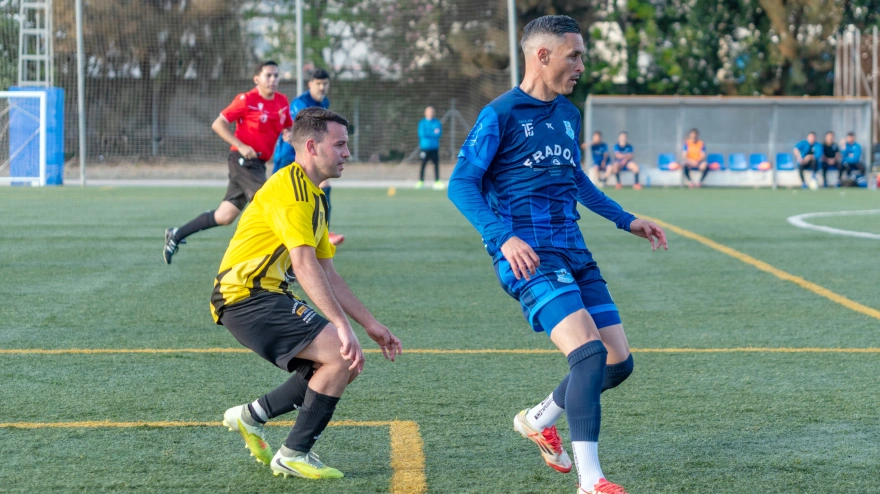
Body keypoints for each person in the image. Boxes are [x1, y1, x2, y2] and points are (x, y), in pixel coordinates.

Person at [448, 15, 667, 494]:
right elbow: (461, 183)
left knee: (617, 363)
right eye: (575, 55)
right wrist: (502, 235)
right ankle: (592, 481)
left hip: (573, 248)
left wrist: (625, 218)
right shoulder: (500, 114)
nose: (582, 65)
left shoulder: (568, 114)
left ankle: (538, 419)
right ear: (542, 56)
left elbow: (575, 177)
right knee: (587, 355)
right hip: (528, 256)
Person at [215, 107, 402, 480]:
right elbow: (304, 266)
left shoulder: (314, 196)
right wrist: (341, 326)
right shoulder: (292, 192)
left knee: (341, 362)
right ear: (313, 146)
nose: (348, 153)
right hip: (245, 297)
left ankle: (252, 417)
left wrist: (369, 323)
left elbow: (327, 272)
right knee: (341, 355)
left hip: (266, 294)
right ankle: (292, 454)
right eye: (340, 144)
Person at [163, 61, 292, 265]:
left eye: (276, 75)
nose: (273, 79)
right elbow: (218, 124)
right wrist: (240, 145)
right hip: (242, 161)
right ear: (256, 79)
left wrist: (292, 137)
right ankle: (288, 265)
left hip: (258, 165)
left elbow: (288, 129)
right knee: (272, 205)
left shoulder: (282, 101)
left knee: (225, 215)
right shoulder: (246, 99)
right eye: (268, 75)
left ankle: (177, 234)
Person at [272, 69, 343, 246]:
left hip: (309, 155)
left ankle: (323, 233)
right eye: (318, 83)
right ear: (310, 84)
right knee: (278, 196)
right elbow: (300, 131)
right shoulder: (300, 104)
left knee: (323, 187)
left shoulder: (324, 101)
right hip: (289, 155)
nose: (322, 87)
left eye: (324, 83)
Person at [416, 106, 444, 190]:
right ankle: (421, 181)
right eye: (429, 112)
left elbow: (438, 134)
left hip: (434, 148)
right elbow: (422, 134)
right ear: (425, 113)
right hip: (424, 148)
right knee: (423, 165)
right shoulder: (422, 123)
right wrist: (432, 133)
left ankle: (437, 181)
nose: (430, 113)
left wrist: (430, 133)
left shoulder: (437, 123)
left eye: (432, 112)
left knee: (436, 164)